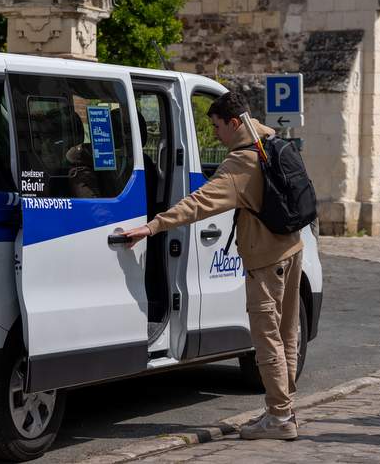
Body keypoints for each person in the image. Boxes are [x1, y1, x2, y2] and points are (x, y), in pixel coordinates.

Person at [121, 91, 304, 440]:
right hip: (292, 250)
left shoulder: (241, 163)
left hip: (265, 259)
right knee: (287, 333)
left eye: (218, 127)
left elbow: (198, 203)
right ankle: (284, 409)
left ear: (235, 123)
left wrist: (152, 226)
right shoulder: (270, 140)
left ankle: (280, 418)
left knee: (267, 339)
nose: (216, 134)